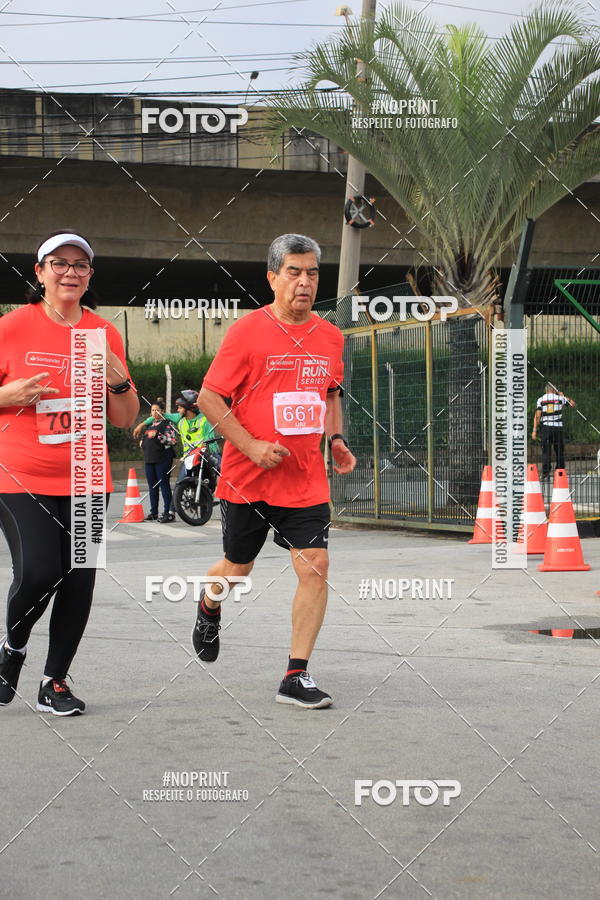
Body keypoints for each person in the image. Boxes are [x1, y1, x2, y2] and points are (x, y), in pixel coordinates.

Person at [191, 233, 356, 709]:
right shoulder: (247, 332)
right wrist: (251, 446)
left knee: (316, 564)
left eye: (312, 273)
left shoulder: (330, 336)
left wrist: (337, 440)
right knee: (237, 568)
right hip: (248, 478)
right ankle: (210, 603)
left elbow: (330, 395)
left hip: (305, 479)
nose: (304, 282)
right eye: (294, 272)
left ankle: (295, 675)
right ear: (272, 278)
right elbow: (209, 398)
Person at [0, 230, 138, 715]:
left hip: (87, 476)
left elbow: (124, 418)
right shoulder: (12, 327)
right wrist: (7, 395)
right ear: (39, 272)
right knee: (40, 570)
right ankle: (13, 648)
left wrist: (117, 380)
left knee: (79, 579)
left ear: (89, 275)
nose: (70, 272)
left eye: (80, 265)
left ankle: (53, 682)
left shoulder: (104, 333)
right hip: (19, 474)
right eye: (58, 263)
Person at [138, 397, 178, 522]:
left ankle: (168, 512)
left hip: (163, 458)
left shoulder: (168, 424)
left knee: (164, 484)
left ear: (163, 411)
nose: (155, 413)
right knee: (152, 486)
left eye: (157, 410)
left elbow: (172, 440)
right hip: (150, 459)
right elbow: (146, 438)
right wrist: (142, 442)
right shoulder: (150, 425)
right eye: (152, 410)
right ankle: (153, 512)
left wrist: (159, 435)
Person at [532, 381, 576, 479]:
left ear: (546, 390)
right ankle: (560, 472)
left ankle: (545, 473)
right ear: (554, 390)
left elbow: (537, 416)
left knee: (546, 451)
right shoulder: (560, 398)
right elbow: (573, 404)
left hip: (546, 428)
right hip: (558, 428)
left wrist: (534, 430)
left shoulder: (541, 399)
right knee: (559, 450)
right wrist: (563, 396)